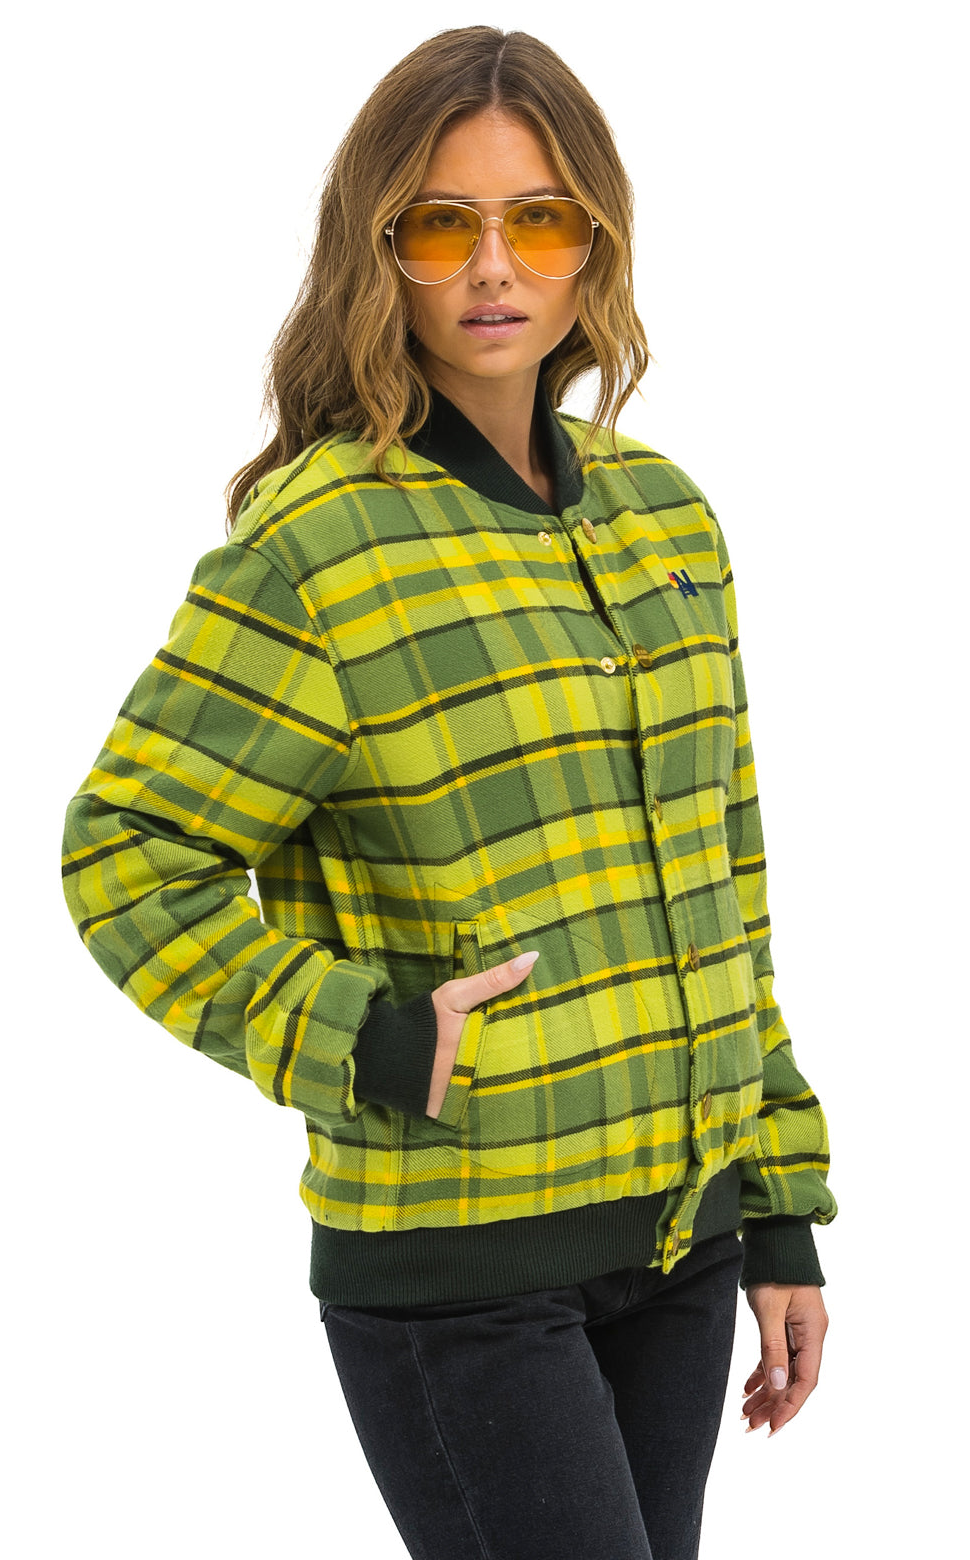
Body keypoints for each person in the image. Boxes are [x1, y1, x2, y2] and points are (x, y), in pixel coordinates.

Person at [61, 25, 837, 1560]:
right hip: (463, 1266)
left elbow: (725, 882)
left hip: (678, 1244)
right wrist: (364, 1033)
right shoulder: (320, 547)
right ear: (379, 253)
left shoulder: (665, 518)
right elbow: (125, 853)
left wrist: (778, 1202)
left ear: (593, 245)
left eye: (538, 219)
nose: (493, 265)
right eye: (440, 224)